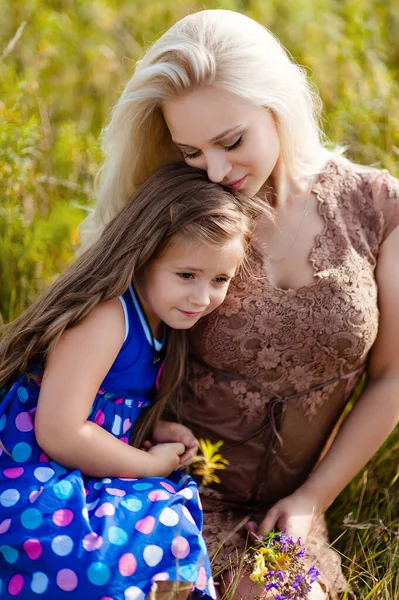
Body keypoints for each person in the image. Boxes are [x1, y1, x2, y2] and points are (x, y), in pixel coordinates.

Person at [79, 9, 399, 600]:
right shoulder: (179, 214)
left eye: (231, 141)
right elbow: (95, 344)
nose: (217, 171)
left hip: (292, 510)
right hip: (166, 487)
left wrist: (311, 500)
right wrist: (137, 434)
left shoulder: (378, 206)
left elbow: (392, 376)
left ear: (277, 106)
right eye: (191, 151)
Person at [0, 162, 268, 600]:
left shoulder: (157, 320)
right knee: (96, 559)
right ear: (145, 255)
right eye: (186, 275)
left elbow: (102, 405)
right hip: (30, 471)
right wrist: (151, 465)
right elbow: (59, 429)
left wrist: (151, 426)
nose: (202, 297)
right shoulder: (107, 317)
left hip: (77, 464)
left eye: (220, 279)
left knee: (169, 530)